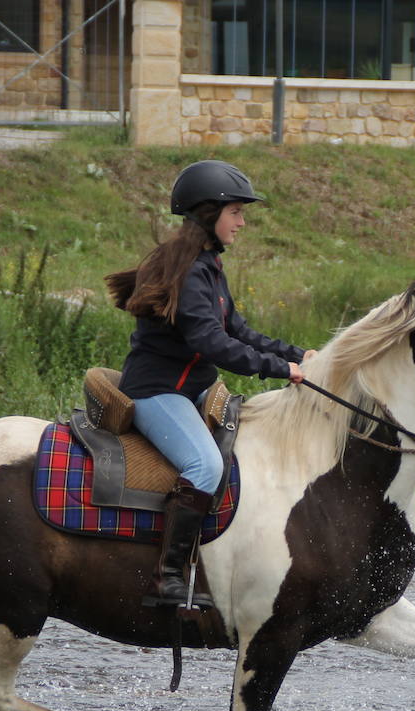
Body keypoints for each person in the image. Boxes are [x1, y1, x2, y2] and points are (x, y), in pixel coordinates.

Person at [105, 160, 315, 611]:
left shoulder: (208, 267)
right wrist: (280, 370)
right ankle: (169, 578)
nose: (242, 222)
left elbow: (238, 330)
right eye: (236, 211)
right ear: (209, 214)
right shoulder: (187, 271)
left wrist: (296, 355)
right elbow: (212, 342)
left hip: (193, 388)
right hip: (158, 391)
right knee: (204, 467)